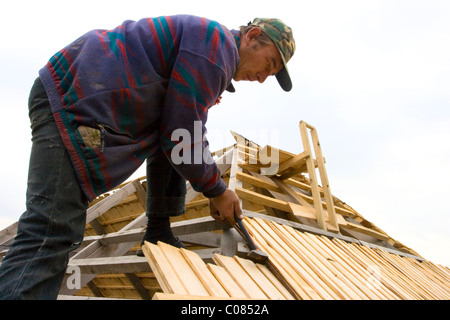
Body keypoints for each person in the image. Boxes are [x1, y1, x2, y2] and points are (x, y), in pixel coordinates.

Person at [0, 14, 295, 299]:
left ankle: (157, 230)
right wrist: (217, 190)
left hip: (78, 93)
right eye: (268, 64)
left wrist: (201, 188)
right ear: (252, 36)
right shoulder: (215, 49)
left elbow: (173, 135)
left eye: (269, 75)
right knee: (51, 233)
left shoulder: (210, 49)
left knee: (169, 139)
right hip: (75, 99)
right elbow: (183, 132)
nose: (261, 78)